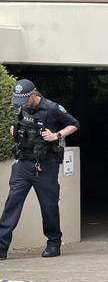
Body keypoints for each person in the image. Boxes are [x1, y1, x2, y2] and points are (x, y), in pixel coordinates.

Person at [0, 79, 79, 260]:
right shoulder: (21, 106)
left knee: (48, 206)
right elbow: (22, 126)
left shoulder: (51, 108)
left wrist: (55, 135)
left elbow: (74, 124)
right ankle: (1, 246)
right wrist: (16, 130)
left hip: (45, 165)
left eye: (25, 100)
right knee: (12, 203)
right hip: (23, 163)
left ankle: (53, 242)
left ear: (34, 94)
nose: (22, 104)